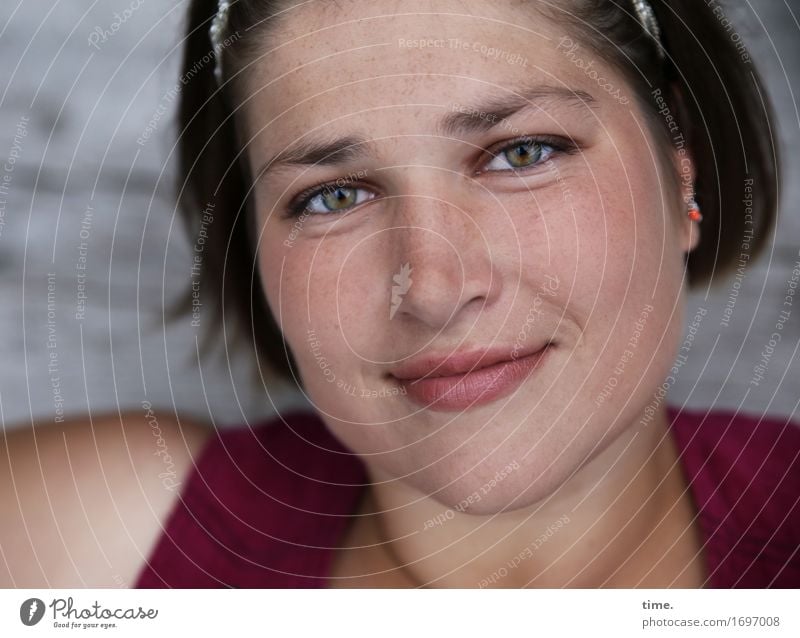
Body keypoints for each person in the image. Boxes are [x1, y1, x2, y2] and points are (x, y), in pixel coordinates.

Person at [2, 0, 798, 588]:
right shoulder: (75, 544)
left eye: (521, 152)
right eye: (334, 196)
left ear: (680, 163)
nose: (434, 289)